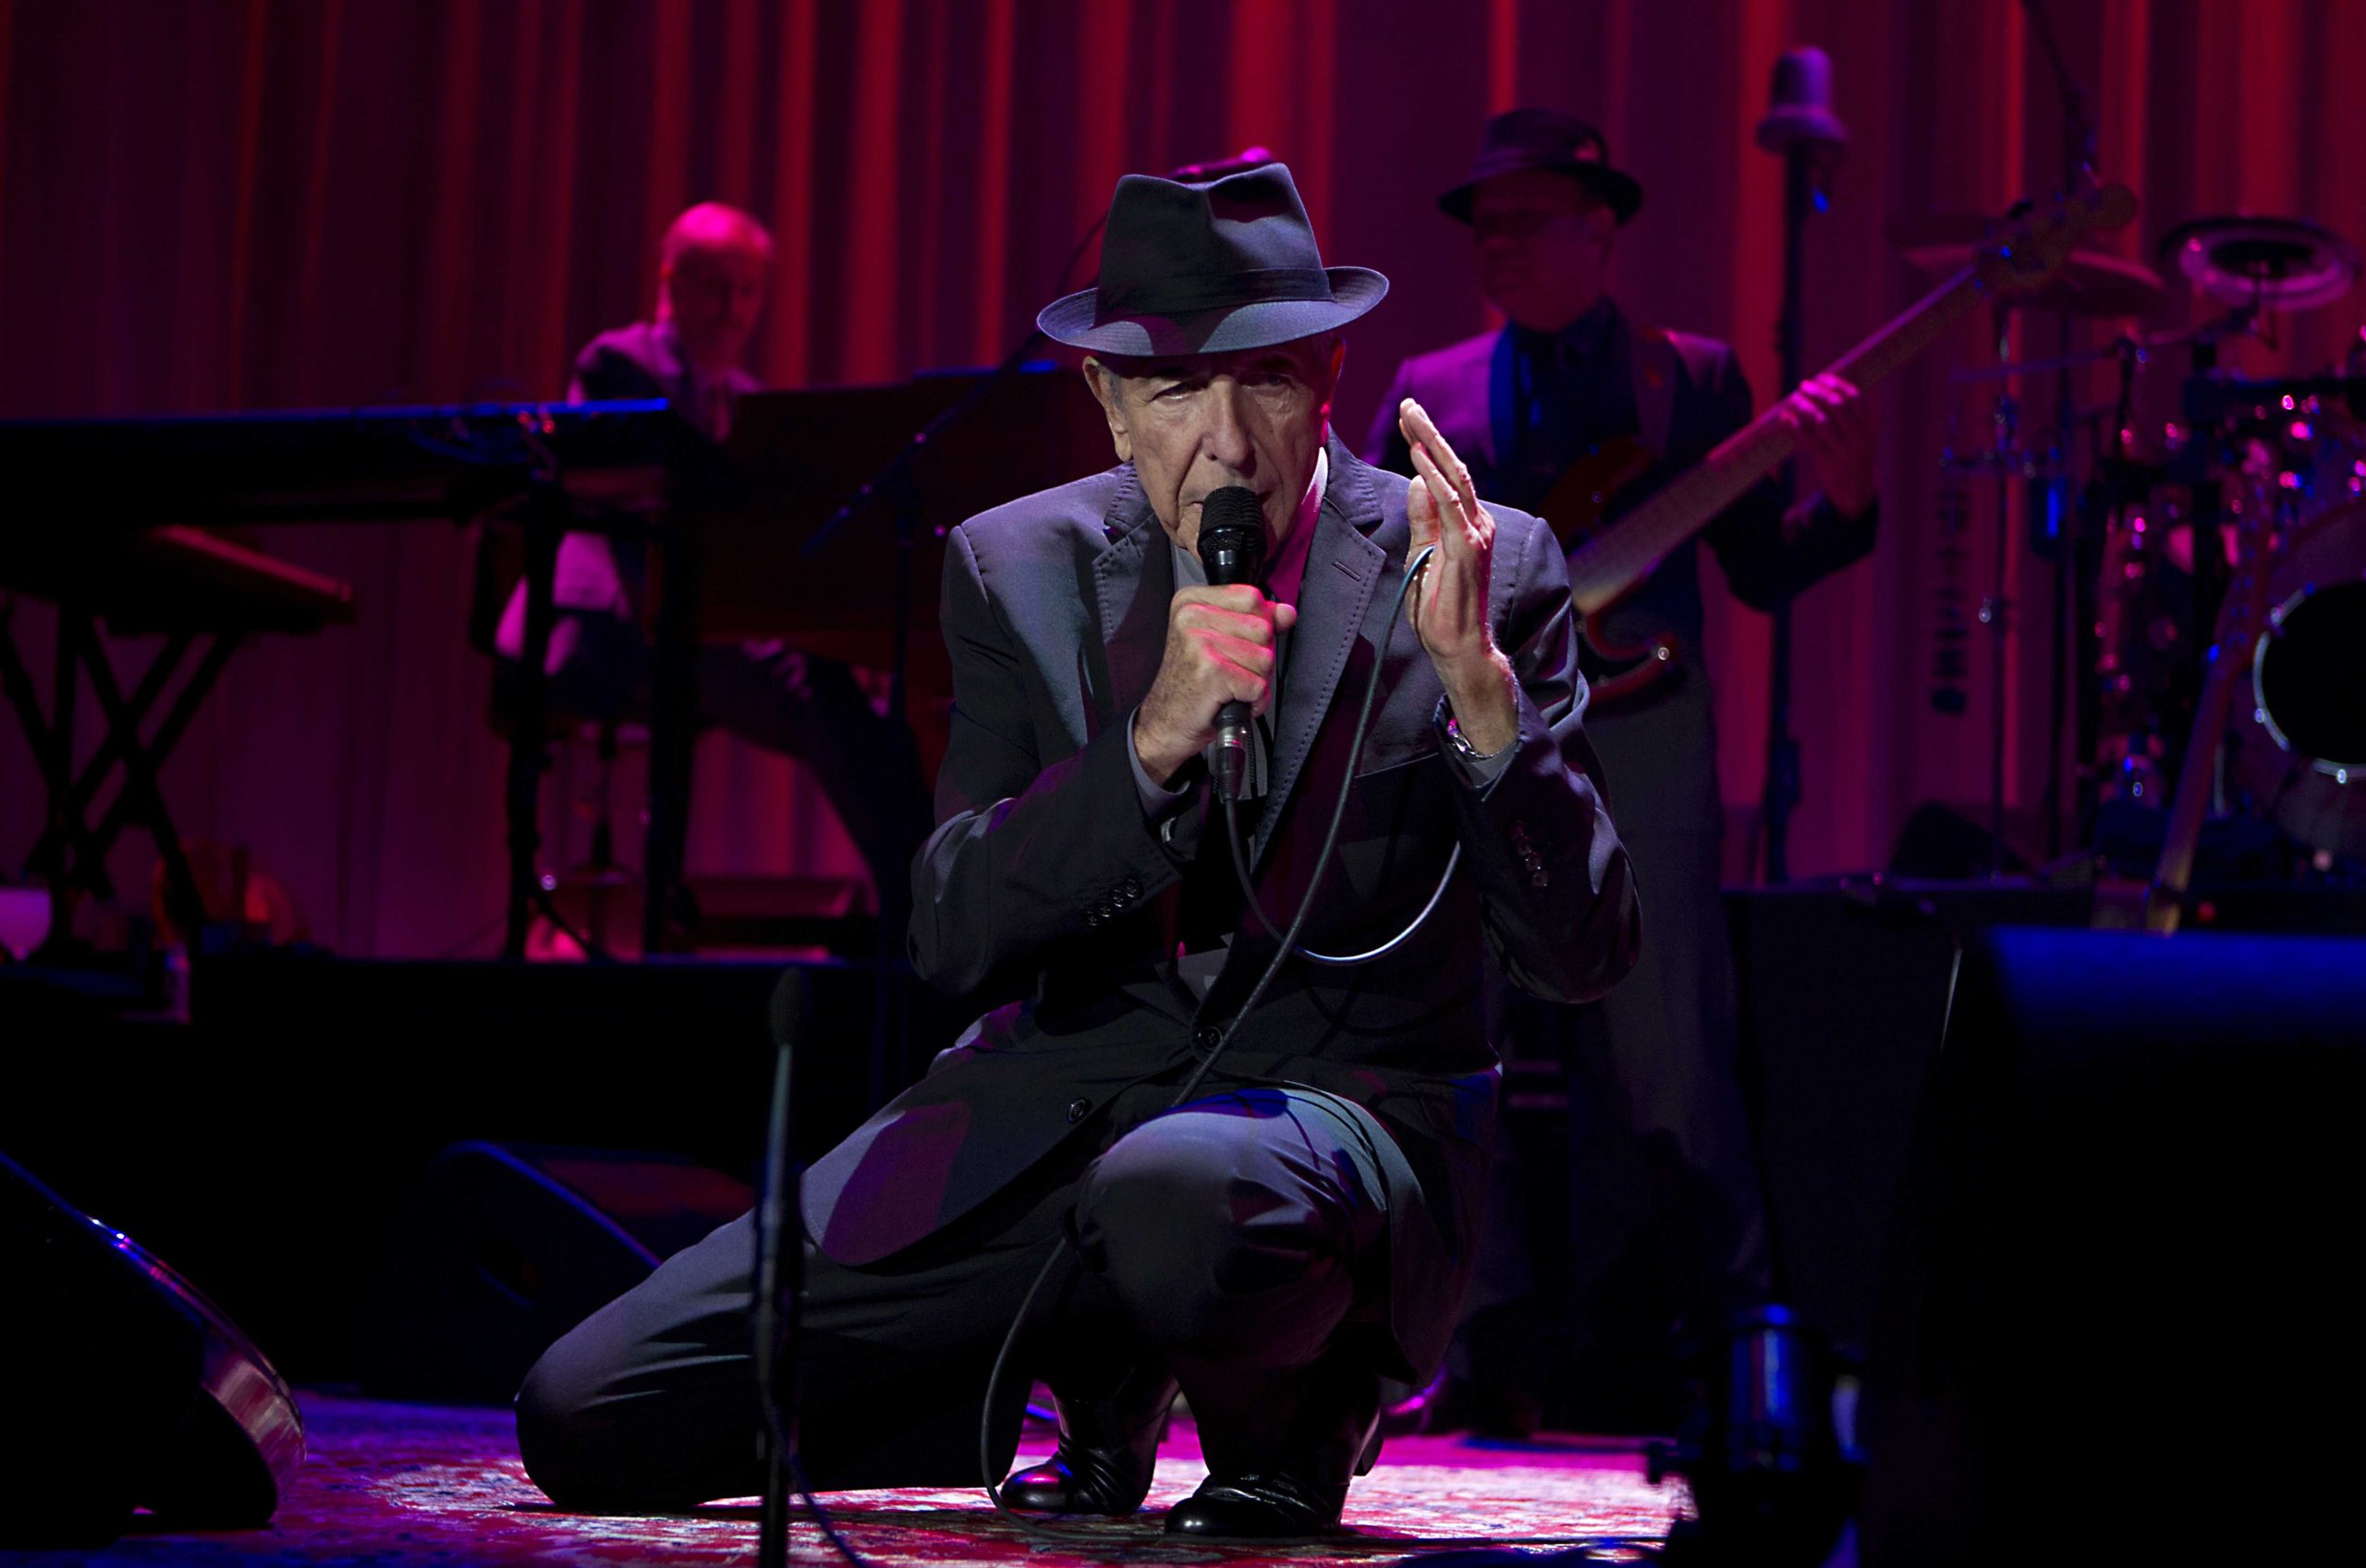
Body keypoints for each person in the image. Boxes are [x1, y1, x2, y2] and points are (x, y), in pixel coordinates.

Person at [515, 163, 1639, 1538]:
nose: (1226, 442)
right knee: (589, 1413)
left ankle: (1304, 1403)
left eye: (1269, 380)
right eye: (1173, 390)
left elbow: (1583, 957)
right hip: (1051, 1117)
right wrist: (1148, 746)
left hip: (1333, 1129)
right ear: (1107, 405)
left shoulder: (1480, 562)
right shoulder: (1014, 565)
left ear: (1332, 373)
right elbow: (953, 928)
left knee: (1174, 1189)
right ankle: (1073, 1363)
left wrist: (1483, 706)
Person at [1365, 109, 1878, 1432]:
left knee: (1674, 1046)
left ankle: (1737, 1343)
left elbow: (1764, 568)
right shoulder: (1433, 381)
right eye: (1487, 225)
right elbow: (1368, 580)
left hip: (1643, 732)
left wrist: (1851, 494)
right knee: (1448, 1037)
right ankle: (1457, 1338)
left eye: (1528, 220)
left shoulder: (1687, 378)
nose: (1500, 244)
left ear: (1604, 230)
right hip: (1471, 741)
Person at [489, 201, 926, 930]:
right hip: (612, 625)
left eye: (749, 288)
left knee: (861, 701)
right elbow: (625, 511)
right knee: (815, 690)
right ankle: (917, 906)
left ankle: (918, 899)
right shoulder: (619, 363)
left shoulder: (749, 402)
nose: (734, 307)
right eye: (716, 285)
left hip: (703, 623)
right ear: (672, 284)